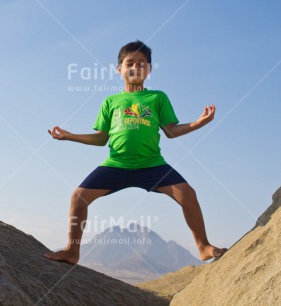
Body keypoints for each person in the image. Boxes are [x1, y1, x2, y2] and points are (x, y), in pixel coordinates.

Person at [45, 40, 227, 264]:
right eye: (130, 63)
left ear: (149, 69)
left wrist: (199, 123)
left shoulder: (157, 98)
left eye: (142, 64)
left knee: (188, 194)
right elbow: (101, 138)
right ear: (119, 68)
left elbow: (171, 131)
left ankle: (203, 246)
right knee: (78, 197)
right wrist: (69, 135)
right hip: (117, 165)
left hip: (152, 165)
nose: (135, 68)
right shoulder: (110, 101)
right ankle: (72, 252)